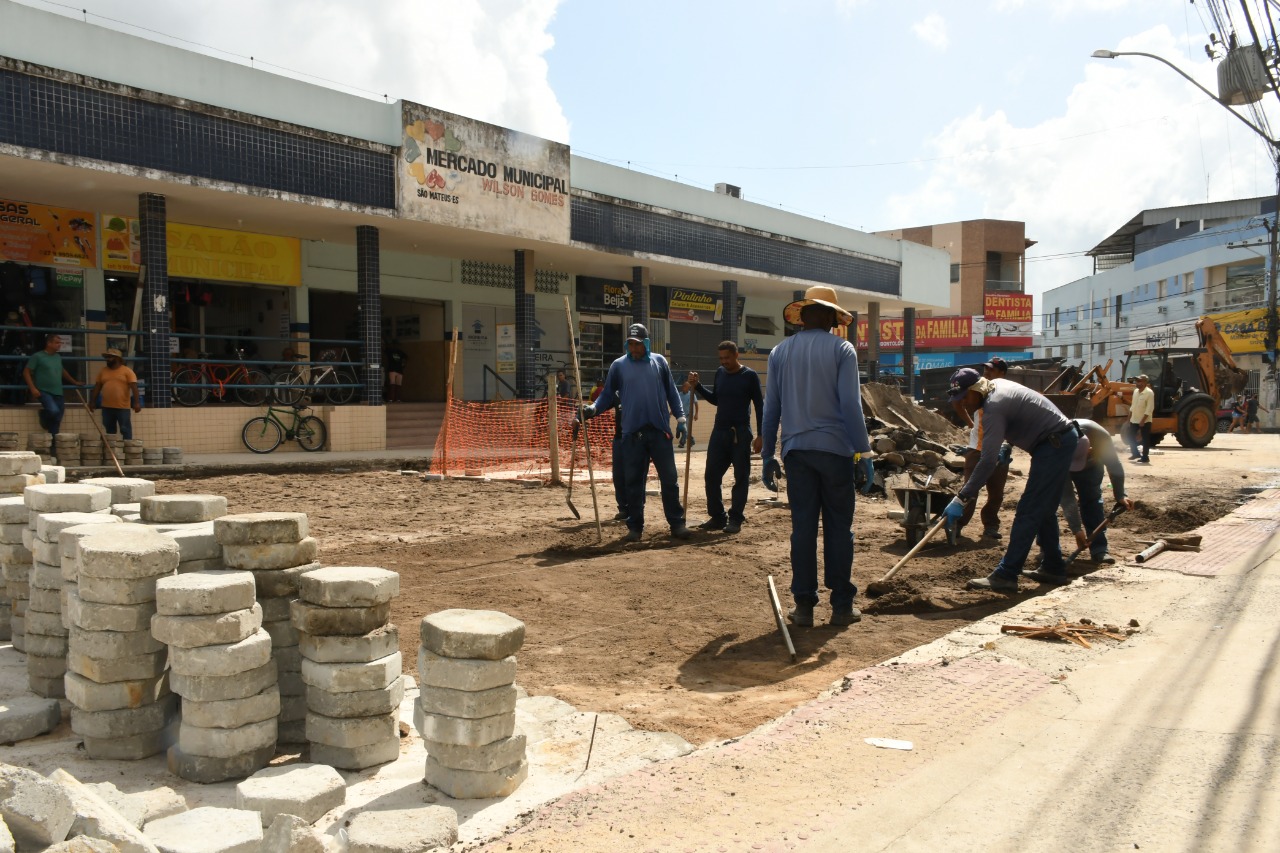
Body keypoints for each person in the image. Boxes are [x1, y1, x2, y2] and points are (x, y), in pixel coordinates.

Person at [761, 286, 871, 628]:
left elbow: (771, 408)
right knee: (839, 529)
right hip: (835, 451)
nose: (838, 325)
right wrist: (864, 451)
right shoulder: (843, 350)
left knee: (803, 530)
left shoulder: (779, 352)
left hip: (797, 453)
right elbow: (851, 405)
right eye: (835, 318)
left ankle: (804, 606)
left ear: (804, 315)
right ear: (826, 316)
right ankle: (841, 607)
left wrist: (767, 453)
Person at [944, 367, 1079, 593]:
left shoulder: (993, 406)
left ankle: (1007, 574)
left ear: (976, 390)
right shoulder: (995, 389)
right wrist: (1008, 444)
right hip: (1056, 441)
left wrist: (962, 497)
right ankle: (1053, 567)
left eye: (965, 397)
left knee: (1028, 509)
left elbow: (987, 462)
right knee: (1043, 509)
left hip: (1054, 444)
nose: (964, 403)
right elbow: (1024, 414)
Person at [580, 323, 689, 543]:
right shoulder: (618, 366)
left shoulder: (659, 362)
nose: (634, 348)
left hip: (659, 432)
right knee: (633, 483)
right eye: (630, 344)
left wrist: (681, 418)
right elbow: (608, 394)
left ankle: (677, 524)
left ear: (646, 344)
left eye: (638, 344)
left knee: (669, 480)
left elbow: (671, 392)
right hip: (632, 435)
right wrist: (593, 408)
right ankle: (635, 527)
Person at [1038, 418, 1135, 582]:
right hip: (1062, 465)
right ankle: (1048, 550)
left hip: (1093, 466)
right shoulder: (1059, 441)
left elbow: (1114, 465)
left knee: (1092, 500)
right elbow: (1067, 497)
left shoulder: (1101, 437)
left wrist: (1120, 495)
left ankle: (1099, 548)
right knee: (1048, 502)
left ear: (1090, 448)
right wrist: (1076, 529)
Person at [684, 341, 764, 535]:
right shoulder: (720, 373)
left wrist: (762, 435)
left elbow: (760, 406)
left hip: (740, 434)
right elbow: (716, 400)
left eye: (727, 358)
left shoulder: (750, 376)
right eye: (721, 358)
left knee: (741, 477)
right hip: (719, 432)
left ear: (737, 355)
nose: (724, 362)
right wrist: (698, 386)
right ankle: (718, 517)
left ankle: (735, 518)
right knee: (711, 475)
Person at [951, 357, 1013, 540]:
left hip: (998, 450)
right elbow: (956, 401)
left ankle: (991, 526)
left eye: (991, 370)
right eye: (985, 369)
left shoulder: (1004, 393)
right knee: (969, 490)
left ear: (1002, 373)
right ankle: (958, 524)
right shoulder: (978, 390)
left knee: (996, 494)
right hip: (976, 450)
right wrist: (971, 425)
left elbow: (1016, 423)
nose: (987, 373)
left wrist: (1007, 445)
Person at [23, 333, 80, 436]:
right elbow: (26, 372)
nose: (59, 345)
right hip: (43, 391)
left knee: (57, 419)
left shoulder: (57, 357)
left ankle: (53, 443)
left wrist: (74, 382)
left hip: (58, 391)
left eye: (60, 343)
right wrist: (33, 388)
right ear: (49, 343)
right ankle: (43, 414)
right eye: (57, 342)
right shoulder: (38, 356)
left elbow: (62, 371)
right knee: (53, 411)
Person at [88, 348, 141, 440]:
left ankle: (128, 449)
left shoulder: (127, 371)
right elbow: (97, 387)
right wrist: (92, 401)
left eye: (110, 357)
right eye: (107, 357)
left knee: (125, 430)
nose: (108, 359)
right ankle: (113, 451)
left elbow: (134, 387)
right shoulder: (103, 371)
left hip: (122, 407)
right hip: (107, 407)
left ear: (118, 359)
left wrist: (136, 403)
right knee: (110, 431)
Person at [1121, 374, 1155, 462]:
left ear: (1145, 382)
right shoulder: (1136, 391)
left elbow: (1150, 408)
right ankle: (1135, 454)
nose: (1137, 383)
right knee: (1130, 437)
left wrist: (1143, 420)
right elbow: (1133, 406)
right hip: (1134, 419)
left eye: (1139, 381)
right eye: (1137, 381)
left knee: (1145, 439)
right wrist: (1129, 419)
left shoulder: (1149, 393)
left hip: (1145, 421)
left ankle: (1145, 457)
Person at [676, 378, 696, 449]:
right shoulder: (680, 394)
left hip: (688, 415)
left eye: (684, 386)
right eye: (682, 386)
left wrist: (696, 414)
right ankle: (692, 440)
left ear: (688, 388)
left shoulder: (692, 395)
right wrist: (671, 412)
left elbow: (696, 404)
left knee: (685, 430)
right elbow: (676, 404)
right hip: (681, 415)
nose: (682, 387)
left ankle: (682, 443)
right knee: (679, 428)